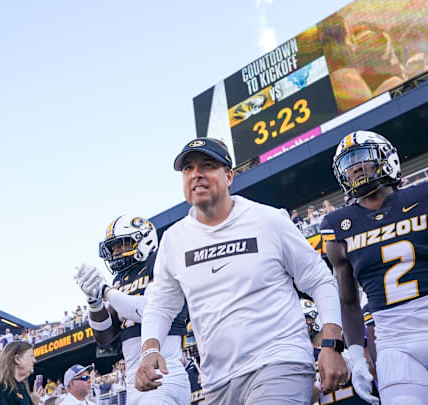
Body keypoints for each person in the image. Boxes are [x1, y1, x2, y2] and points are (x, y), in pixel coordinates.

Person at [136, 138, 348, 404]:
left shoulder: (268, 220)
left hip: (279, 363)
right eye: (188, 168)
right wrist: (149, 348)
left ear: (228, 176)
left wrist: (332, 343)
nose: (196, 174)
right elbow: (160, 306)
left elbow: (320, 279)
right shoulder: (173, 240)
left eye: (207, 165)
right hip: (217, 382)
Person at [321, 130, 428, 404]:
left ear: (386, 158)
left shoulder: (427, 195)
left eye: (361, 157)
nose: (354, 167)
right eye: (347, 163)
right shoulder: (337, 226)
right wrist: (355, 355)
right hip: (393, 343)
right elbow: (349, 302)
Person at [75, 215, 190, 404]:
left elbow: (151, 309)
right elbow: (104, 336)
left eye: (122, 244)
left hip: (162, 374)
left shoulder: (160, 262)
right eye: (113, 248)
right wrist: (94, 301)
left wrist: (106, 291)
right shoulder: (120, 280)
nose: (117, 251)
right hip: (135, 381)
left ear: (144, 239)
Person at [303, 300, 376, 405]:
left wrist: (355, 360)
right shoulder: (305, 355)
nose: (303, 325)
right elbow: (303, 400)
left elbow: (374, 366)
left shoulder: (347, 339)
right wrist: (320, 383)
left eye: (307, 319)